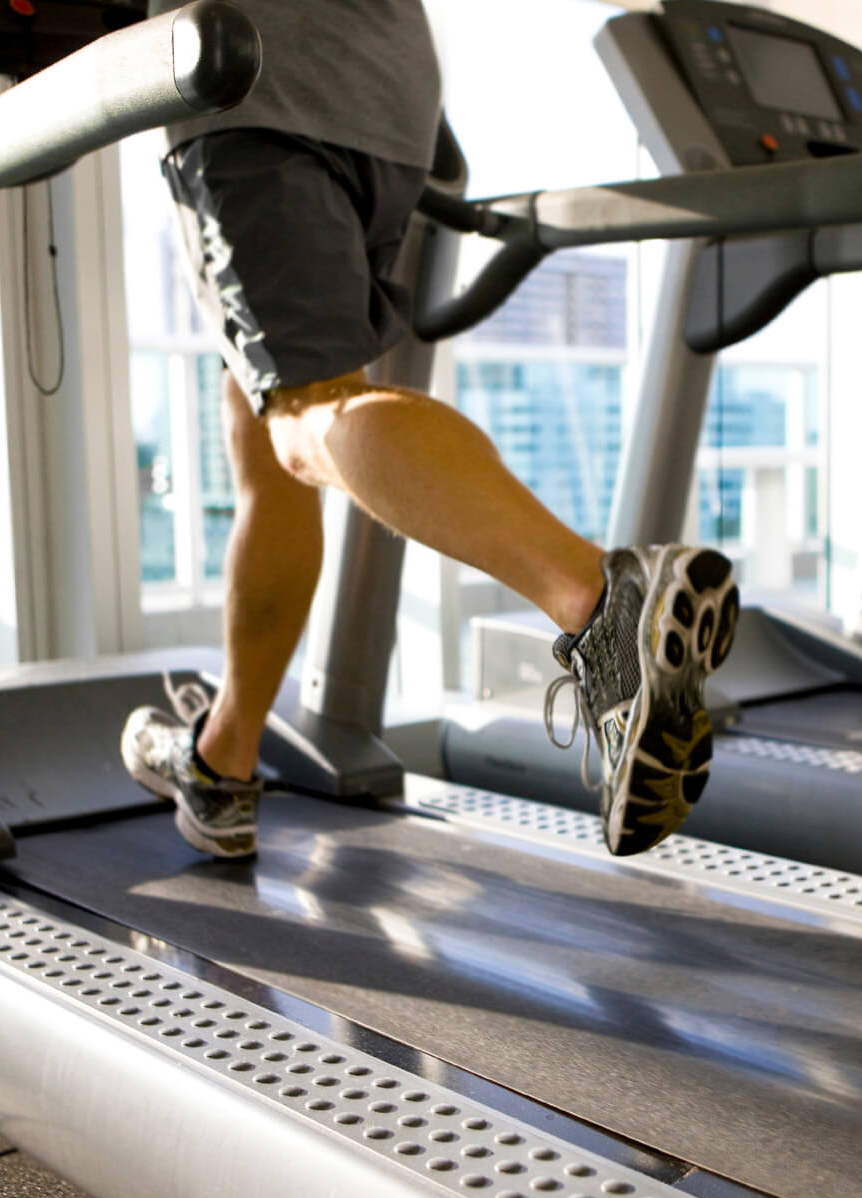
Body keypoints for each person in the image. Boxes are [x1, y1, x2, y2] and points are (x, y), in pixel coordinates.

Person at [119, 0, 736, 860]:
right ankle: (224, 760)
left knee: (304, 420)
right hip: (387, 100)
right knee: (264, 423)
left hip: (254, 76)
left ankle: (603, 605)